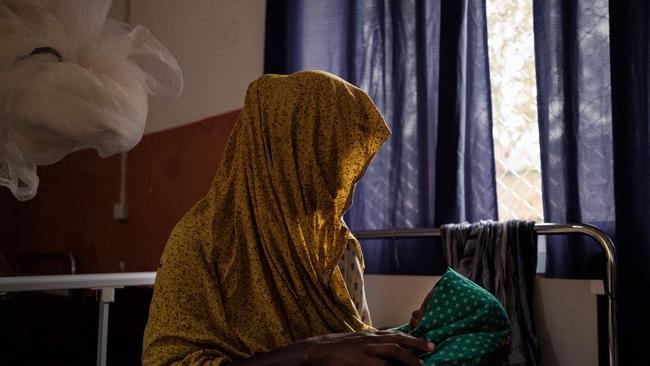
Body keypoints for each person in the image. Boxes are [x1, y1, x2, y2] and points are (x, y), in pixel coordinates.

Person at [142, 70, 434, 365]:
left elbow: (353, 338)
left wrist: (411, 332)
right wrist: (309, 353)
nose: (340, 189)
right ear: (287, 154)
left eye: (349, 172)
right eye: (329, 161)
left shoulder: (337, 247)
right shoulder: (203, 241)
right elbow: (168, 361)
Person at [392, 268, 511, 366]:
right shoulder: (409, 334)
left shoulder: (457, 355)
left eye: (425, 309)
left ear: (451, 322)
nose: (414, 313)